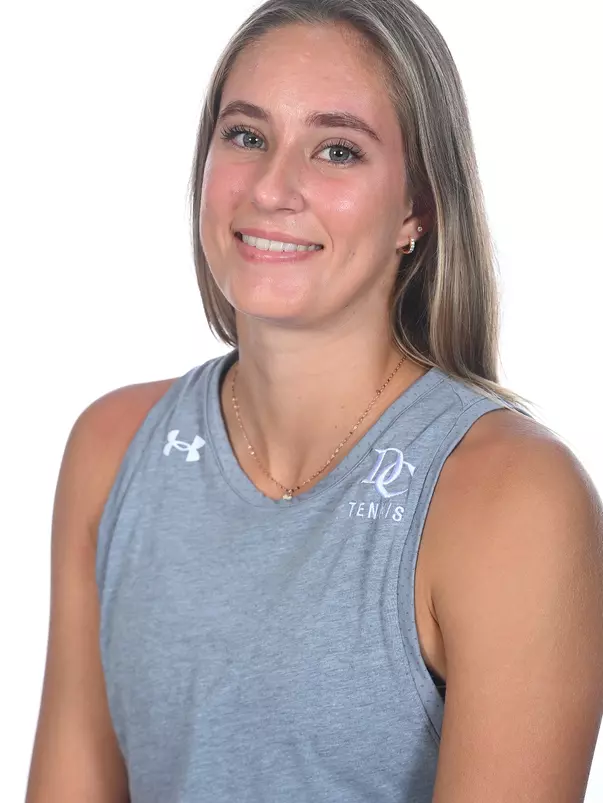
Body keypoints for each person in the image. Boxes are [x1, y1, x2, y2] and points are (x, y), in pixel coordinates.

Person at [26, 1, 603, 801]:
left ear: (416, 210)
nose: (271, 187)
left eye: (336, 150)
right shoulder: (111, 448)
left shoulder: (511, 499)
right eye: (247, 136)